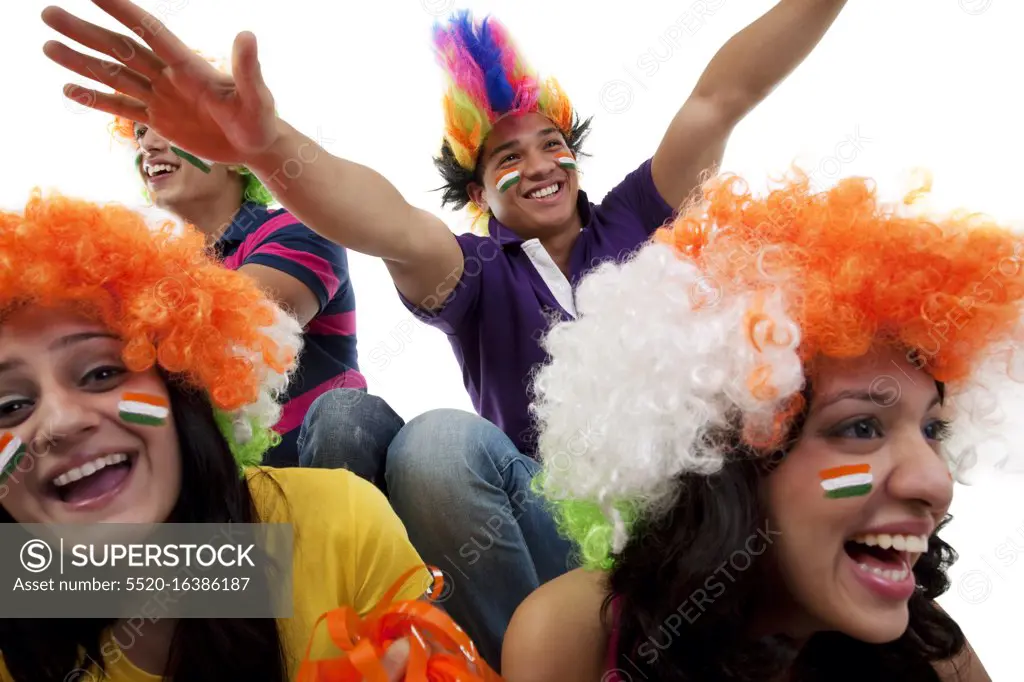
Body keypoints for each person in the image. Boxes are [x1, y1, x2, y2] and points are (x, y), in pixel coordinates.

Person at [38, 0, 847, 668]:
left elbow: (719, 97)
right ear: (476, 192)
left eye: (554, 145)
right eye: (507, 157)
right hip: (260, 549)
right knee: (50, 579)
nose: (539, 165)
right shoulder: (476, 270)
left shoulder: (634, 219)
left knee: (425, 445)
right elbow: (394, 226)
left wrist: (271, 148)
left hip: (650, 539)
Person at [500, 172, 1008, 681]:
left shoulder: (930, 651)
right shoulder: (575, 638)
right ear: (723, 453)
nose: (935, 483)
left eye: (932, 431)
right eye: (860, 429)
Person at [0, 193, 431, 682]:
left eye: (101, 373)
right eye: (9, 406)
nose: (60, 422)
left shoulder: (333, 523)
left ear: (182, 383)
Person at [107, 52, 405, 477]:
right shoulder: (153, 272)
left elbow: (235, 323)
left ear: (231, 153)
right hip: (229, 489)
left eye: (171, 131)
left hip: (324, 464)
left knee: (344, 414)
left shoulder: (299, 226)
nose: (148, 144)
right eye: (140, 131)